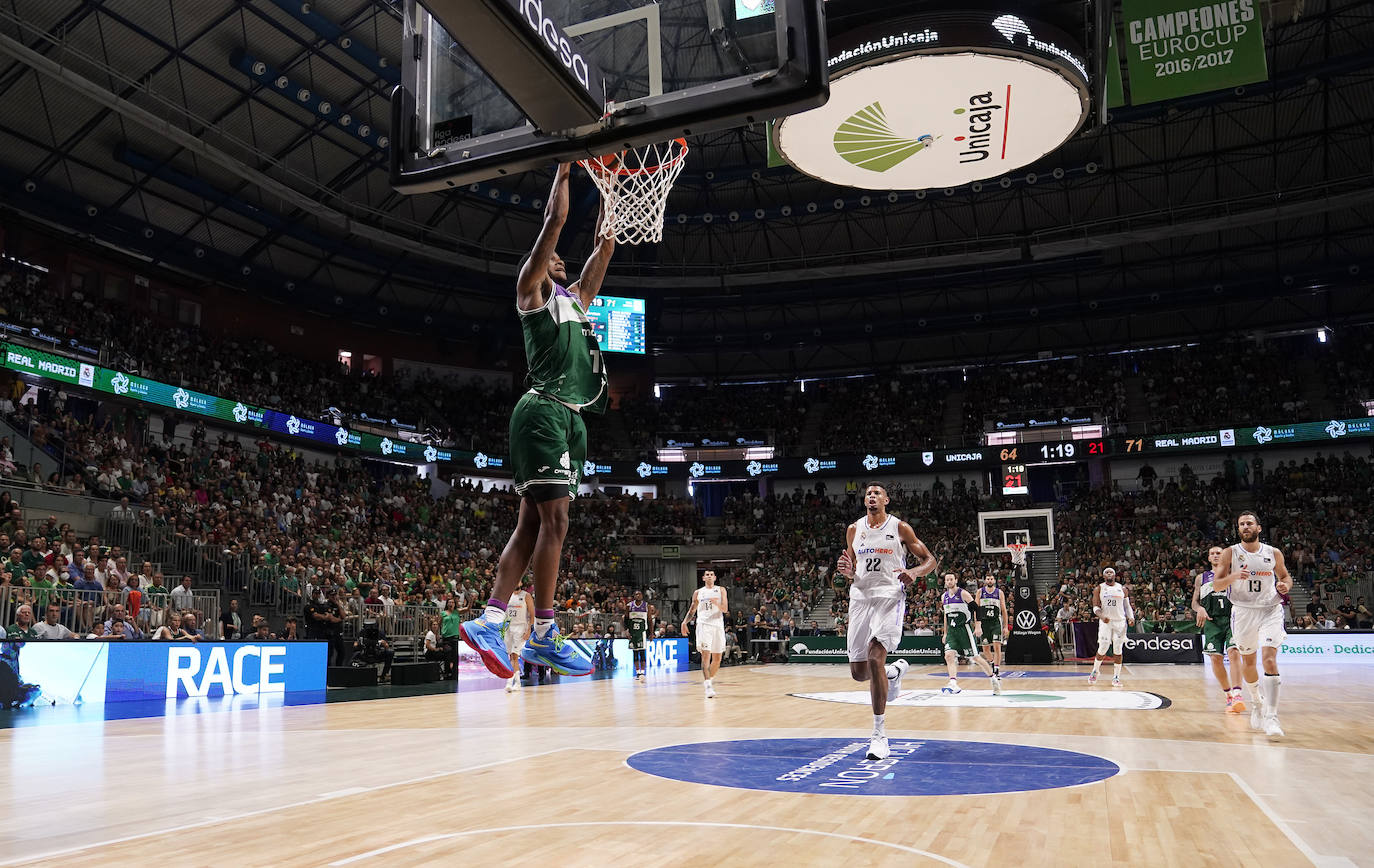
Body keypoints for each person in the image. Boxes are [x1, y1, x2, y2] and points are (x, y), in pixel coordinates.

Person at [459, 163, 615, 679]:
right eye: (553, 256)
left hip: (570, 419)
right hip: (544, 409)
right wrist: (565, 169)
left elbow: (604, 248)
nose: (561, 259)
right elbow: (554, 220)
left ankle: (489, 620)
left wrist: (612, 193)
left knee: (531, 524)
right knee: (557, 522)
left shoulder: (578, 302)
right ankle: (544, 632)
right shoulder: (531, 291)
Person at [835, 482, 938, 761]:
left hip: (889, 597)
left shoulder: (900, 528)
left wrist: (915, 572)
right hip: (860, 599)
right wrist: (846, 571)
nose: (872, 496)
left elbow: (930, 560)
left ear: (886, 500)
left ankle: (879, 735)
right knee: (859, 673)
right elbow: (850, 568)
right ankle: (892, 673)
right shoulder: (854, 529)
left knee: (874, 658)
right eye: (868, 493)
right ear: (864, 501)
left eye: (877, 493)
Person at [1212, 511, 1292, 737]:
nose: (1245, 527)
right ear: (1238, 529)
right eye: (1241, 524)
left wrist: (1285, 586)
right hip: (1243, 611)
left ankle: (1272, 717)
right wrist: (1234, 576)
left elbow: (1285, 577)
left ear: (1259, 528)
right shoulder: (1230, 553)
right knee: (1249, 662)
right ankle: (1257, 702)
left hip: (1269, 609)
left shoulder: (1273, 553)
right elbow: (1217, 585)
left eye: (1249, 523)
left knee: (1269, 659)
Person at [1192, 546, 1246, 713]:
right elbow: (1194, 602)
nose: (1215, 555)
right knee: (1215, 658)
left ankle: (1237, 694)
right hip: (1212, 621)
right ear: (1208, 558)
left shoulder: (1234, 574)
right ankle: (1228, 694)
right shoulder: (1201, 578)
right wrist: (1200, 609)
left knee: (1234, 652)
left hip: (1232, 620)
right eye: (1212, 554)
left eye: (1219, 553)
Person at [939, 573, 1000, 695]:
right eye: (947, 580)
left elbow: (977, 609)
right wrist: (945, 632)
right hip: (952, 631)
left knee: (976, 657)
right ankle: (953, 683)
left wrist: (978, 625)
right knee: (948, 656)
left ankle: (993, 678)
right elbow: (946, 615)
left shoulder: (963, 594)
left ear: (956, 580)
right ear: (945, 582)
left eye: (951, 579)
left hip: (964, 629)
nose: (949, 581)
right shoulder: (944, 597)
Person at [681, 569, 729, 698]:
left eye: (711, 575)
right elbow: (692, 610)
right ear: (703, 578)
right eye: (707, 575)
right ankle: (708, 686)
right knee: (706, 656)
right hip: (704, 625)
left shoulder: (721, 590)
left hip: (718, 626)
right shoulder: (698, 592)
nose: (709, 576)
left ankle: (709, 681)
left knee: (717, 659)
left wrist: (716, 602)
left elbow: (725, 609)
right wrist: (684, 622)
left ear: (715, 577)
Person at [1088, 568, 1134, 687]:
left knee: (1118, 649)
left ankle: (1116, 677)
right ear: (1104, 576)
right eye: (1107, 572)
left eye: (1111, 572)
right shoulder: (1099, 588)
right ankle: (1095, 670)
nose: (1109, 574)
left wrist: (1131, 617)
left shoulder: (1122, 589)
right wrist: (1102, 616)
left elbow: (1127, 606)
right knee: (1103, 647)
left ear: (1115, 575)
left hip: (1120, 622)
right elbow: (1095, 607)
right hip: (1106, 622)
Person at [504, 581, 534, 693]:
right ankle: (517, 682)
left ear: (521, 583)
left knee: (514, 656)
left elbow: (532, 614)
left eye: (518, 580)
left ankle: (510, 682)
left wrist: (529, 629)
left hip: (521, 627)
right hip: (508, 628)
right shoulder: (507, 595)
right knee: (510, 656)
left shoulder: (526, 595)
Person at [976, 573, 1009, 676]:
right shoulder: (980, 592)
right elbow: (976, 609)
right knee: (985, 648)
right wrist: (977, 625)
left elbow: (1004, 610)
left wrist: (1005, 627)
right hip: (984, 623)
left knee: (997, 645)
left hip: (995, 622)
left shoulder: (999, 592)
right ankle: (993, 663)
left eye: (991, 579)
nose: (990, 580)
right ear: (985, 580)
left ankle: (997, 669)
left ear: (994, 581)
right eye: (988, 579)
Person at [626, 589, 653, 681]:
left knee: (642, 653)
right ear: (634, 596)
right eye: (636, 594)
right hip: (633, 633)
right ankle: (638, 672)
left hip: (642, 633)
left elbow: (650, 620)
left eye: (639, 594)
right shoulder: (629, 606)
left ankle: (643, 672)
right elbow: (625, 619)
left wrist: (651, 633)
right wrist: (626, 630)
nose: (638, 595)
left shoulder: (646, 606)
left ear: (642, 596)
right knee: (635, 653)